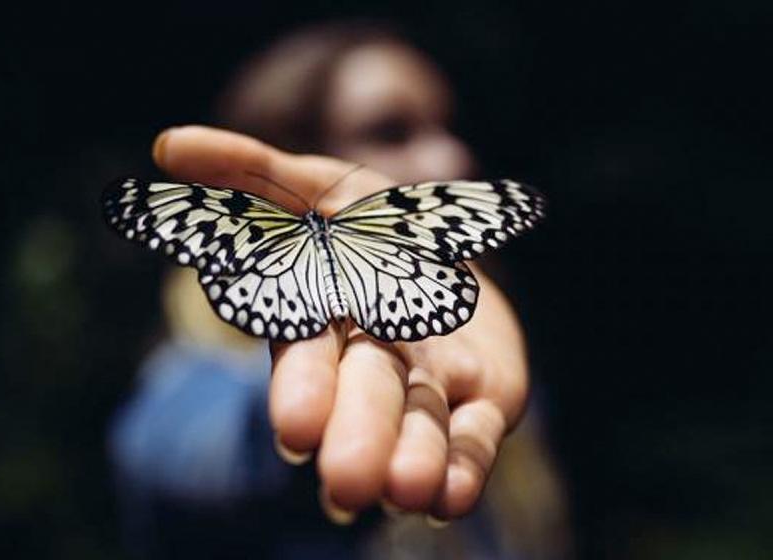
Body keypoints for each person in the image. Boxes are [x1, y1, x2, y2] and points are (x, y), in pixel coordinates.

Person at [110, 22, 570, 558]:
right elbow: (192, 447)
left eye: (447, 126)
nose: (453, 161)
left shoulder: (480, 385)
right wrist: (329, 425)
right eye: (391, 132)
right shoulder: (187, 382)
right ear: (287, 158)